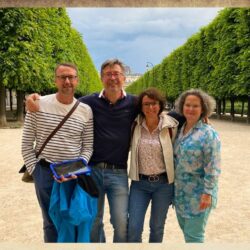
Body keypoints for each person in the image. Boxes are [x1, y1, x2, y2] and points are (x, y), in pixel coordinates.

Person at [26, 59, 138, 242]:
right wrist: (36, 171)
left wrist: (197, 117)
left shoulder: (133, 102)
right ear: (101, 78)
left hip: (101, 172)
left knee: (114, 222)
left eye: (116, 74)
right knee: (76, 220)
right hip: (76, 172)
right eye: (108, 74)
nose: (112, 78)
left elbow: (155, 105)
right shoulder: (85, 104)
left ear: (124, 78)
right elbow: (27, 142)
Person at [22, 63, 94, 242]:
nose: (67, 81)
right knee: (50, 222)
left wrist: (76, 168)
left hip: (74, 174)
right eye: (62, 77)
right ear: (55, 80)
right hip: (46, 173)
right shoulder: (38, 105)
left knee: (74, 220)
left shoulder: (85, 111)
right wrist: (36, 171)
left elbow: (88, 146)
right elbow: (26, 143)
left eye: (71, 77)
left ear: (77, 80)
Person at [128, 87, 178, 242]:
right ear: (141, 107)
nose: (150, 107)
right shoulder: (134, 125)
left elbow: (190, 112)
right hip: (139, 183)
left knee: (157, 228)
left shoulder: (172, 126)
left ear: (160, 104)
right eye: (146, 104)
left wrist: (203, 117)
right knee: (134, 227)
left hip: (163, 185)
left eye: (154, 103)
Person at [173, 89, 221, 243]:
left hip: (199, 194)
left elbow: (213, 167)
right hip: (180, 193)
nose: (191, 109)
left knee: (194, 237)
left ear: (203, 109)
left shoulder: (209, 134)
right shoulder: (180, 130)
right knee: (187, 233)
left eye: (195, 106)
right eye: (187, 105)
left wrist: (208, 193)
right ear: (182, 107)